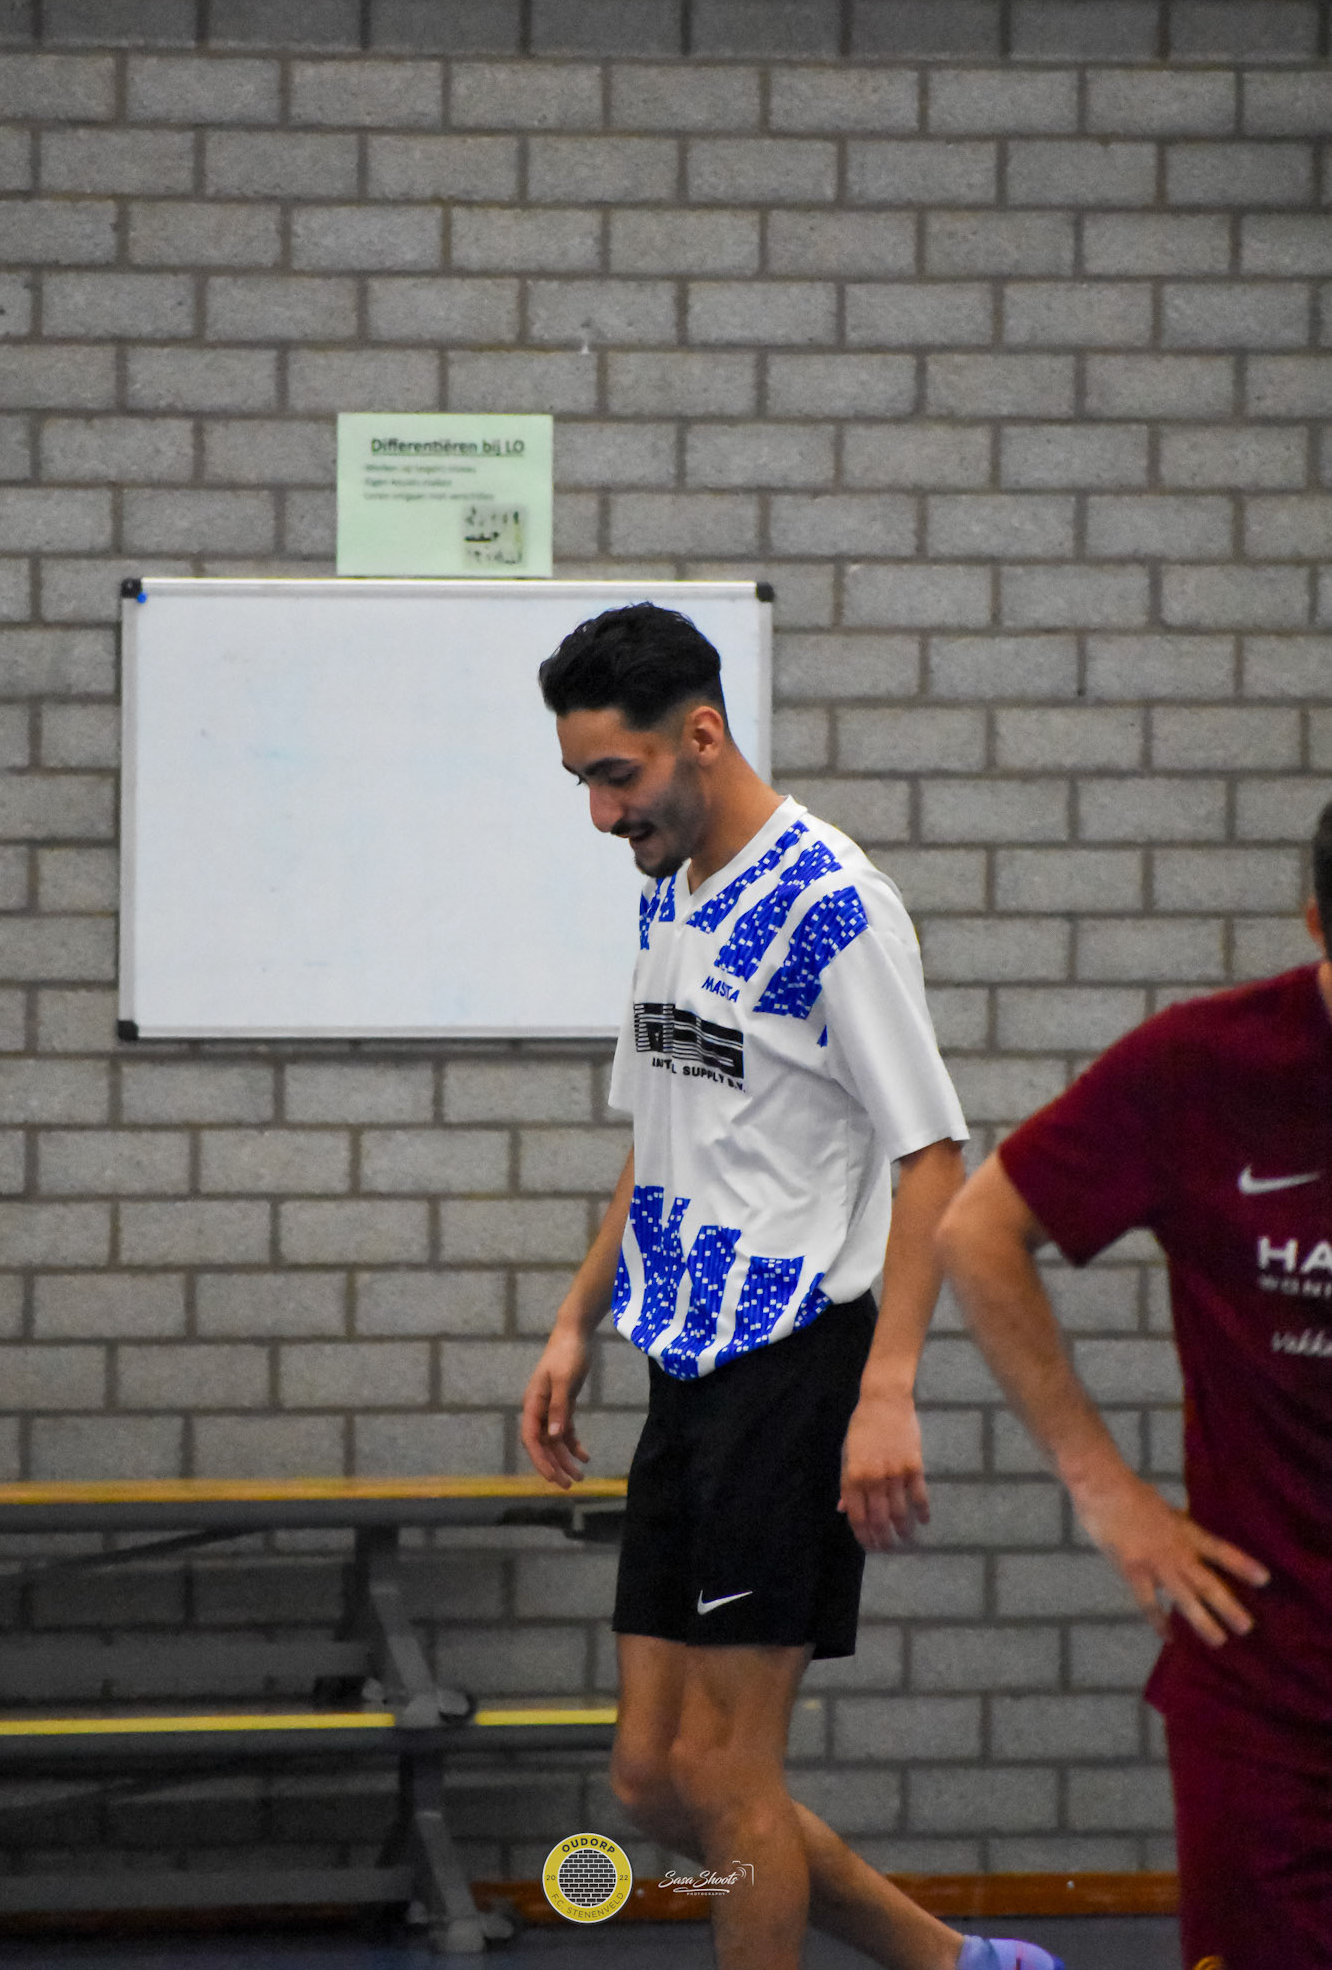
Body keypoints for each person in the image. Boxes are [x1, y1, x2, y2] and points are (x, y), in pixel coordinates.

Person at [520, 603, 1063, 1970]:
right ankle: (955, 1964)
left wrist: (887, 1390)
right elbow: (661, 1133)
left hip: (796, 1364)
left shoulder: (834, 905)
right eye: (583, 779)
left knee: (728, 1772)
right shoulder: (666, 883)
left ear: (701, 734)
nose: (601, 813)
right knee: (652, 1775)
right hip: (683, 1363)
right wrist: (578, 1319)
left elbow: (933, 1158)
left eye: (617, 775)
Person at [936, 801, 1332, 1970]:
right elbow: (978, 1230)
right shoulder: (1205, 1066)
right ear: (1318, 924)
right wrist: (1105, 1488)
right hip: (1271, 1672)